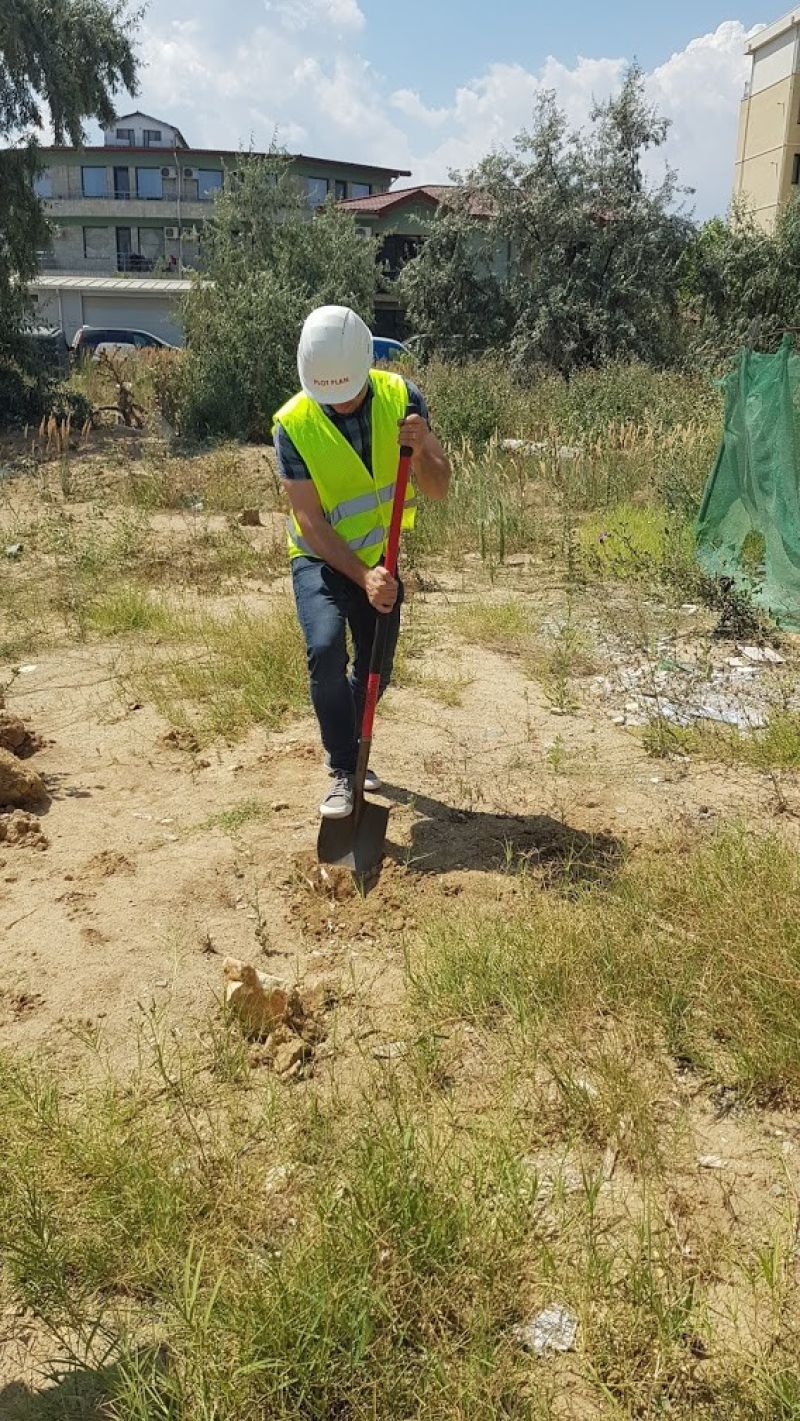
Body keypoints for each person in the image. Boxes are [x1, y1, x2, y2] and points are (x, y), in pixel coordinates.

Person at [273, 305, 451, 819]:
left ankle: (351, 753)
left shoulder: (402, 399)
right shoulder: (293, 424)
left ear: (365, 368)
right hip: (322, 559)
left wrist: (422, 452)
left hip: (382, 556)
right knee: (326, 649)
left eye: (348, 392)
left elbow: (437, 489)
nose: (341, 404)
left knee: (377, 667)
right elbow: (310, 521)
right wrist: (362, 577)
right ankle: (341, 766)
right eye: (329, 395)